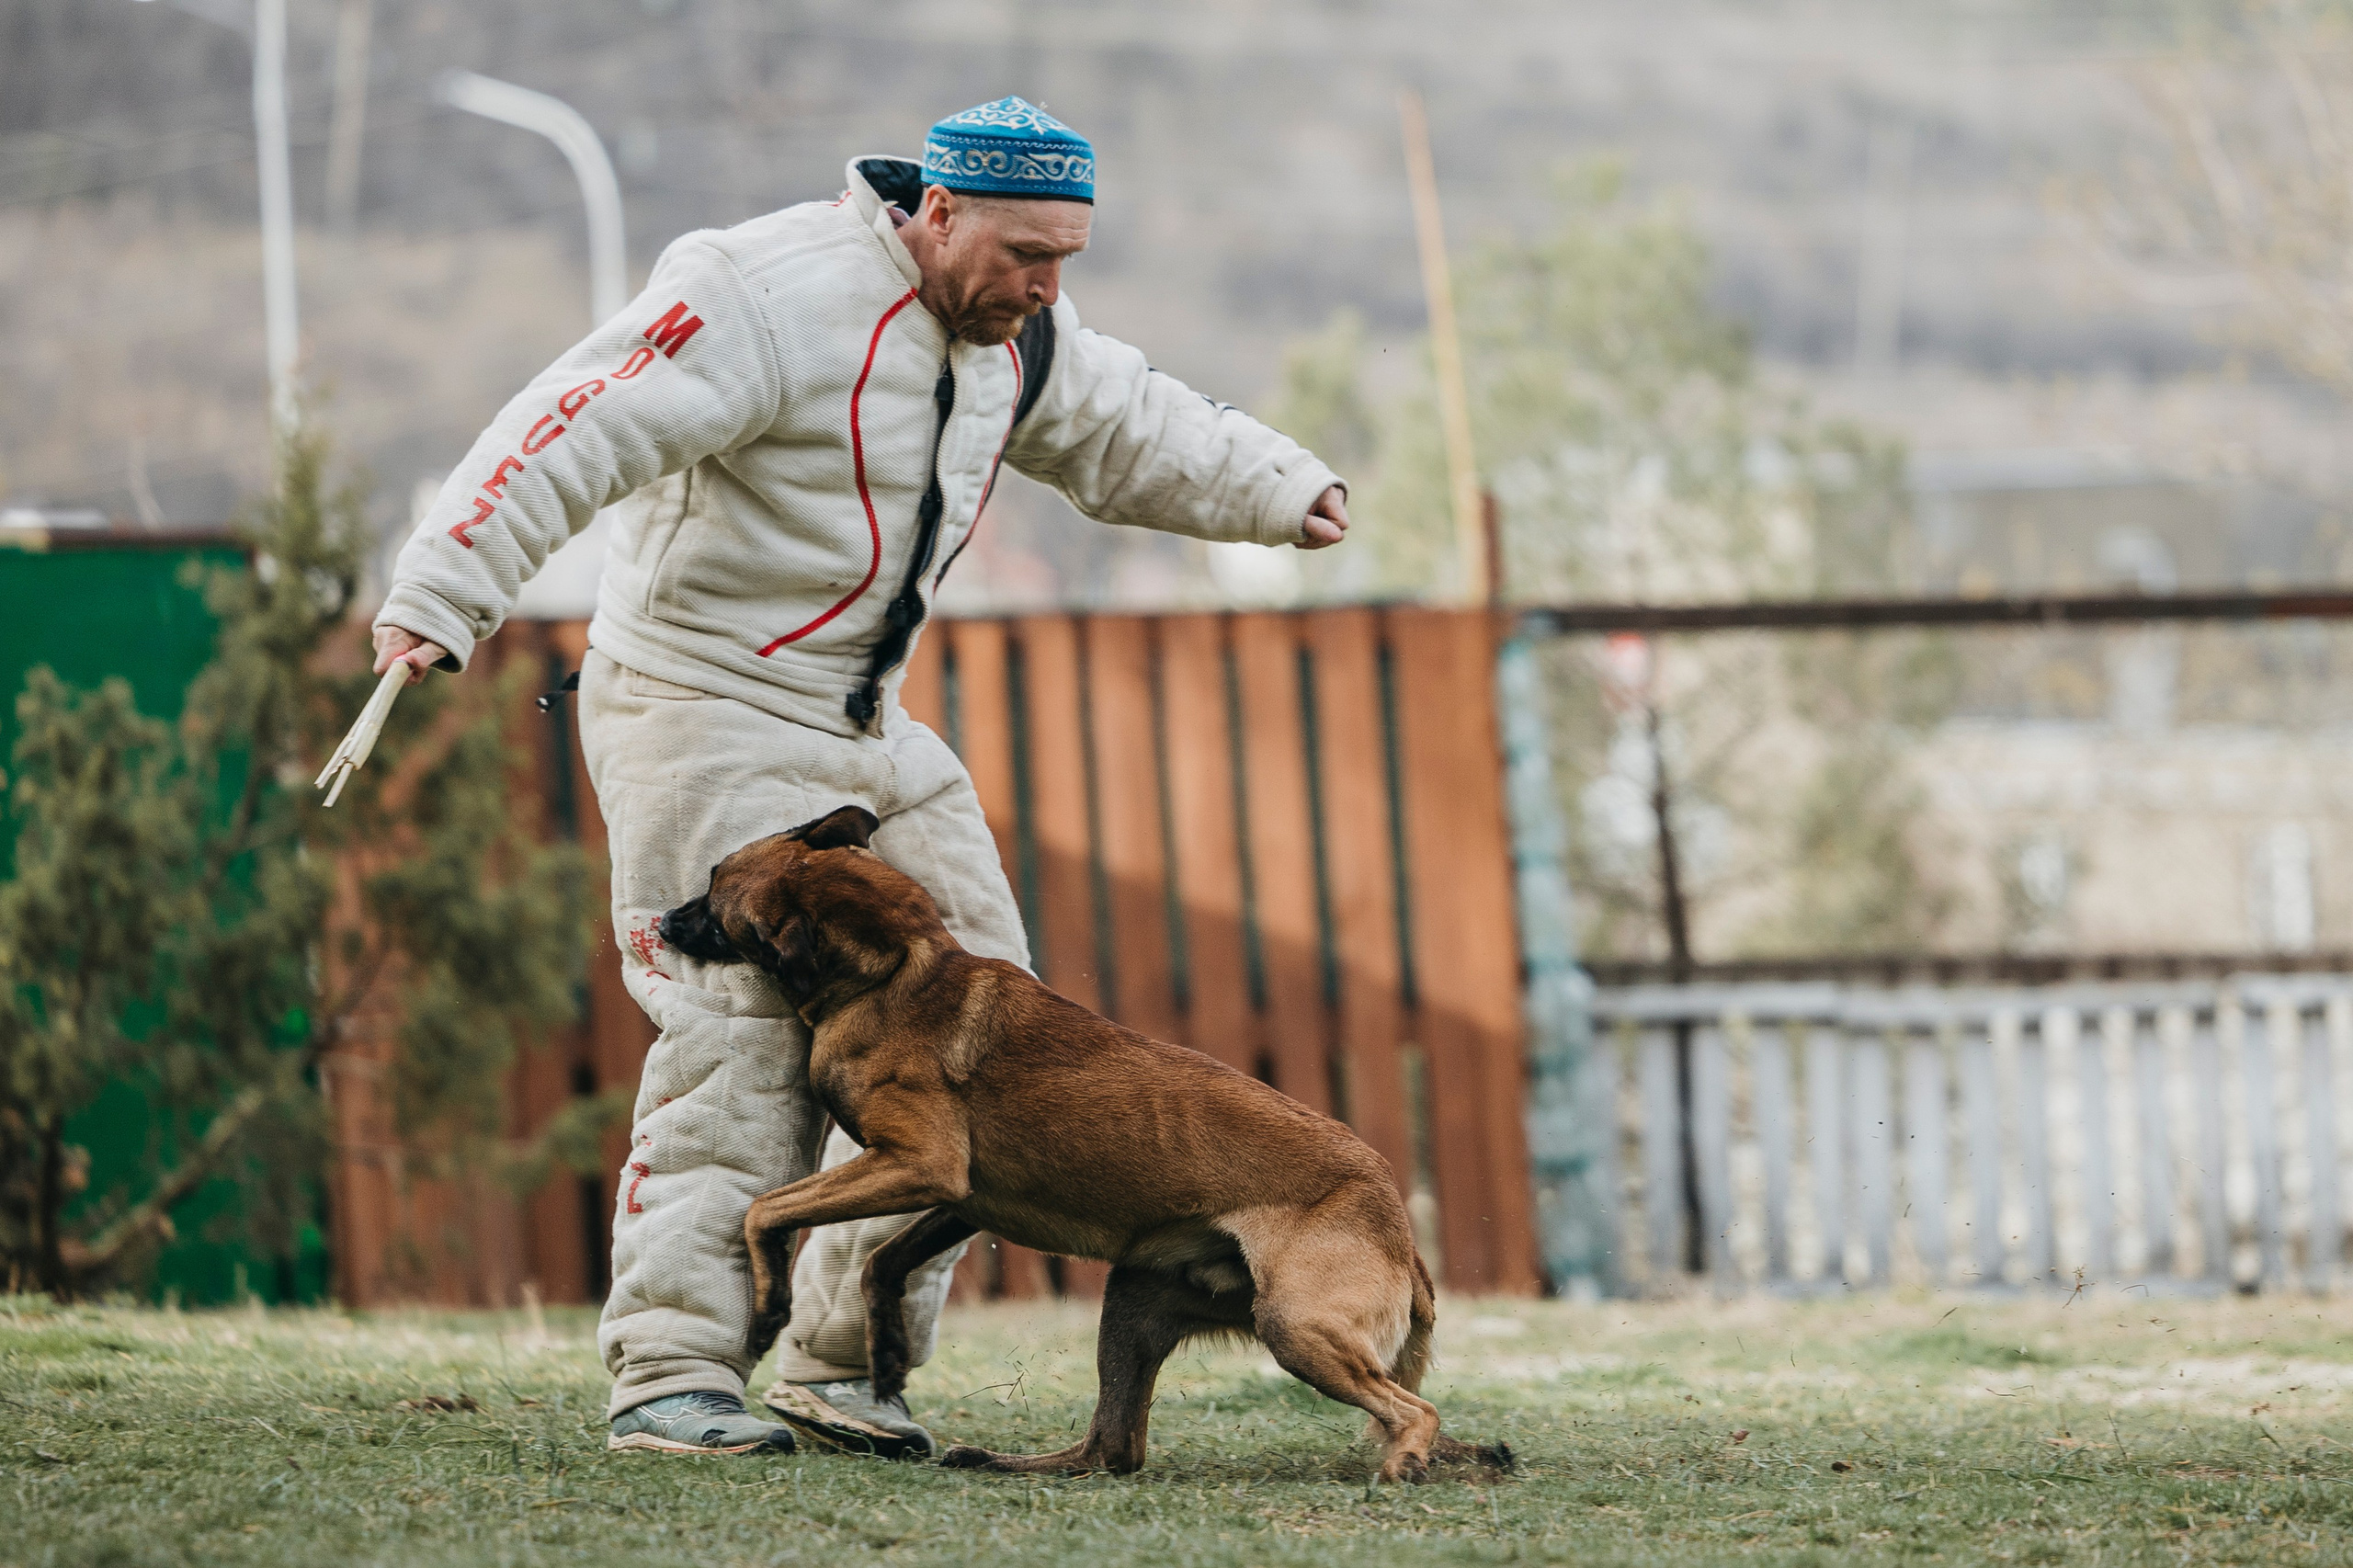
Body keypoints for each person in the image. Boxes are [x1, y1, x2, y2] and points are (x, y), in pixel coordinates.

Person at [370, 97, 1348, 1458]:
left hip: (864, 720)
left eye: (1065, 259)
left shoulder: (1020, 332)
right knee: (738, 1024)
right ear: (934, 212)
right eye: (1021, 253)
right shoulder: (760, 296)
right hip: (699, 700)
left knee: (995, 1028)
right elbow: (573, 419)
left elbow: (1129, 422)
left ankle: (844, 1362)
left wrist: (1279, 487)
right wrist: (444, 587)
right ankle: (672, 1369)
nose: (1044, 286)